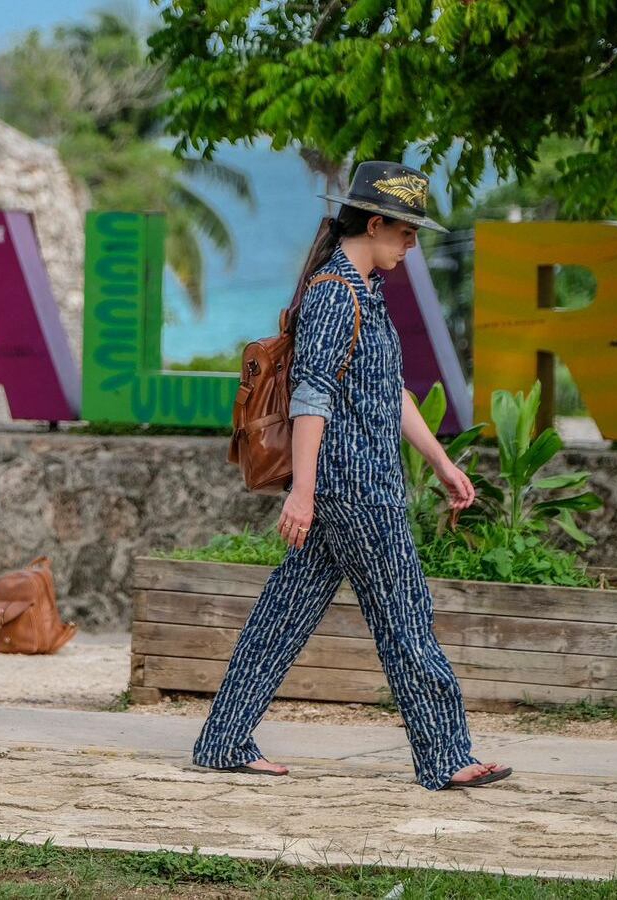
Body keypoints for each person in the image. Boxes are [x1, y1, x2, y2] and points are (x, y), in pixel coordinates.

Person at [192, 161, 510, 790]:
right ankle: (445, 755)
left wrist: (443, 463)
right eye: (407, 232)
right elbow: (312, 396)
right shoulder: (336, 293)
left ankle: (223, 739)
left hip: (351, 487)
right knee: (405, 617)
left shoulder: (362, 292)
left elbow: (387, 391)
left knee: (284, 614)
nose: (413, 244)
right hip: (355, 490)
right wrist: (304, 493)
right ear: (374, 223)